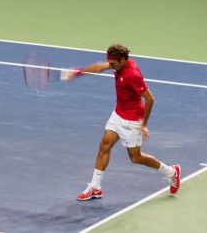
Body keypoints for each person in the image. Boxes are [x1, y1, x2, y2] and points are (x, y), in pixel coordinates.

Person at [68, 44, 180, 201]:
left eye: (113, 63)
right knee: (104, 145)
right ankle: (95, 187)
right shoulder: (118, 63)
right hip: (118, 113)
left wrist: (144, 124)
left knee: (135, 158)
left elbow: (149, 99)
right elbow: (100, 67)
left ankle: (171, 172)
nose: (111, 66)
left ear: (121, 60)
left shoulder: (133, 75)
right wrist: (79, 72)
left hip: (132, 120)